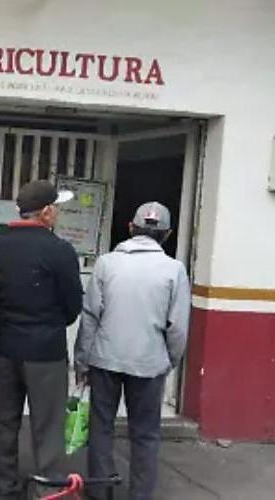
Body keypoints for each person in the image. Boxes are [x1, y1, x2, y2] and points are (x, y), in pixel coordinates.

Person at [74, 202, 190, 500]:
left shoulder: (106, 263)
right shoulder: (175, 270)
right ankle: (140, 494)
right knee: (146, 433)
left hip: (105, 359)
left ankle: (99, 490)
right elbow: (178, 327)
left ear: (130, 227)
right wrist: (169, 360)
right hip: (149, 363)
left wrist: (82, 361)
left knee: (101, 427)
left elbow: (91, 316)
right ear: (167, 234)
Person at [0, 180, 82, 500]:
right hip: (46, 350)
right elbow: (72, 306)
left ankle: (3, 486)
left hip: (5, 347)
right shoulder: (60, 250)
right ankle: (48, 487)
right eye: (56, 208)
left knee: (3, 420)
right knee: (48, 423)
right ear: (46, 212)